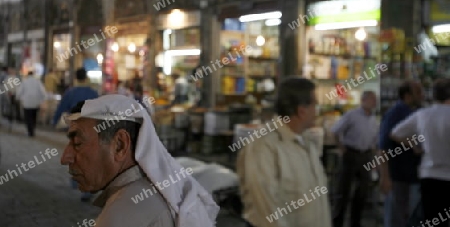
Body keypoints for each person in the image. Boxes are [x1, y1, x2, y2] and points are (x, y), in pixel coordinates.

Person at [60, 95, 219, 227]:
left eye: (77, 143)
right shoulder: (149, 193)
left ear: (120, 145)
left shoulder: (125, 210)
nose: (65, 158)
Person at [237, 77, 332, 227]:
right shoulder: (263, 146)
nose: (317, 111)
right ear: (302, 110)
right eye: (315, 105)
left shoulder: (306, 142)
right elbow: (265, 210)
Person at [391, 78, 450, 227]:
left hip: (428, 175)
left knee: (432, 219)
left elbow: (396, 133)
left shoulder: (423, 114)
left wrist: (415, 146)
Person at [331, 91, 379, 227]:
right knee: (343, 191)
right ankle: (337, 222)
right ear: (363, 100)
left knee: (362, 192)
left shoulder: (373, 119)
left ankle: (355, 222)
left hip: (366, 155)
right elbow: (335, 131)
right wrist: (342, 148)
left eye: (375, 100)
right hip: (351, 154)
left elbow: (374, 141)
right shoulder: (352, 115)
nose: (374, 102)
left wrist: (374, 159)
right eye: (372, 99)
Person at [379, 80, 423, 227]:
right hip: (397, 174)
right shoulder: (395, 114)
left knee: (410, 216)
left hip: (412, 174)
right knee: (396, 217)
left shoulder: (416, 113)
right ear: (408, 96)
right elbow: (384, 146)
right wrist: (385, 176)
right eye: (418, 92)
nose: (422, 95)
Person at [52, 67, 99, 202]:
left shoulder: (71, 92)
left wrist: (54, 121)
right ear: (86, 78)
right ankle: (88, 189)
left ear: (76, 78)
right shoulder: (93, 92)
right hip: (91, 128)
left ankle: (76, 181)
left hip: (75, 128)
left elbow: (61, 107)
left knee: (76, 154)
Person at [16, 71, 47, 137]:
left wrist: (17, 97)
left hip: (26, 103)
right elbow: (43, 92)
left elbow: (19, 91)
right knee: (34, 117)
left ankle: (30, 131)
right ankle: (33, 129)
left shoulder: (24, 82)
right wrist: (42, 100)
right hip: (35, 103)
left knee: (28, 117)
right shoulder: (38, 82)